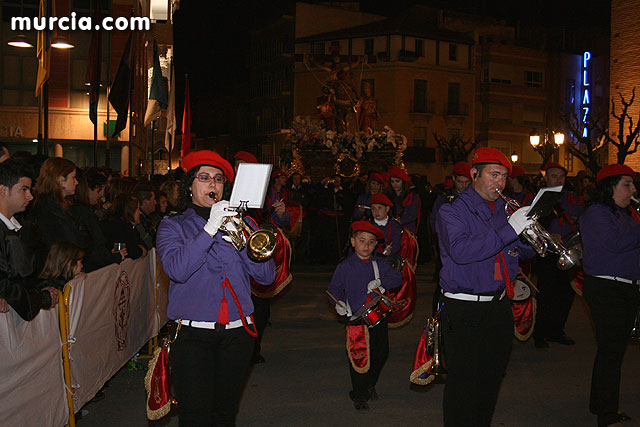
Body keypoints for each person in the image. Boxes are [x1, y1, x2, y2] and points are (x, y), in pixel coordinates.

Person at [156, 150, 276, 426]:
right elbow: (177, 269)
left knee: (224, 415)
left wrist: (244, 240)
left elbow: (266, 276)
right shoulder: (172, 226)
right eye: (205, 177)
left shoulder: (243, 224)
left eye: (219, 179)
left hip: (237, 335)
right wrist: (210, 228)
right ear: (189, 185)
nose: (213, 184)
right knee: (195, 416)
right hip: (192, 335)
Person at [436, 147, 535, 426]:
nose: (500, 183)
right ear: (474, 174)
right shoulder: (451, 210)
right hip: (464, 306)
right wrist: (510, 230)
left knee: (491, 379)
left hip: (499, 304)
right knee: (462, 384)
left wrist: (532, 239)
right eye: (494, 175)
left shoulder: (504, 211)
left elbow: (512, 251)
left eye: (504, 177)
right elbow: (462, 251)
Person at [580, 164, 640, 427]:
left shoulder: (625, 214)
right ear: (610, 187)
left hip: (623, 287)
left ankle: (599, 404)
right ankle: (607, 413)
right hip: (607, 288)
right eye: (627, 184)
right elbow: (616, 244)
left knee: (610, 350)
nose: (633, 190)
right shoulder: (597, 212)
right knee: (612, 353)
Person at [328, 221, 402, 412]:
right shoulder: (345, 267)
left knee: (381, 352)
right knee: (359, 356)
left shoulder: (380, 264)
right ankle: (359, 394)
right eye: (362, 241)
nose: (366, 246)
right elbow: (334, 289)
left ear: (376, 245)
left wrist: (381, 280)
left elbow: (397, 279)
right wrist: (339, 304)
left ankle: (369, 383)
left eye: (371, 242)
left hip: (378, 316)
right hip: (356, 319)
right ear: (353, 242)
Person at [533, 162, 585, 348]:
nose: (558, 180)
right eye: (554, 176)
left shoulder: (571, 198)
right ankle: (540, 333)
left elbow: (581, 218)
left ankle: (557, 331)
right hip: (548, 253)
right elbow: (530, 225)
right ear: (545, 178)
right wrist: (546, 235)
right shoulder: (538, 198)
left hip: (568, 251)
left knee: (565, 295)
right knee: (546, 295)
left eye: (561, 176)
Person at [0, 159, 58, 320]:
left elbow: (21, 273)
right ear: (3, 190)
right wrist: (41, 298)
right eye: (23, 189)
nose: (30, 196)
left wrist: (42, 287)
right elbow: (5, 283)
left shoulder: (17, 228)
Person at [100, 194, 147, 260]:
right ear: (130, 211)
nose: (140, 213)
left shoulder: (129, 227)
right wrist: (141, 250)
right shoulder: (117, 228)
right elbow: (130, 252)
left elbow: (143, 245)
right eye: (138, 208)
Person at [388, 165, 421, 234]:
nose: (395, 184)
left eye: (397, 181)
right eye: (392, 181)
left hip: (407, 230)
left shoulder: (412, 197)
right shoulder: (389, 196)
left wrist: (401, 221)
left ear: (403, 182)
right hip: (392, 228)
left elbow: (412, 214)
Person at [134, 184, 157, 250]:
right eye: (153, 199)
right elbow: (148, 243)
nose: (155, 202)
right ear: (145, 201)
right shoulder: (138, 220)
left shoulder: (150, 217)